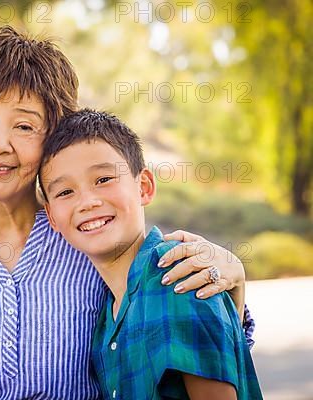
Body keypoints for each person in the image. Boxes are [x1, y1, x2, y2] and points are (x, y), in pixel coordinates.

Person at [0, 26, 253, 399]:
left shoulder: (85, 235)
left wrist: (234, 286)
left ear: (52, 139)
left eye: (23, 125)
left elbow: (178, 338)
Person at [39, 109, 262, 399]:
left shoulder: (176, 273)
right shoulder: (106, 315)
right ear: (52, 217)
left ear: (143, 187)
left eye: (103, 179)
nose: (87, 202)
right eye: (65, 192)